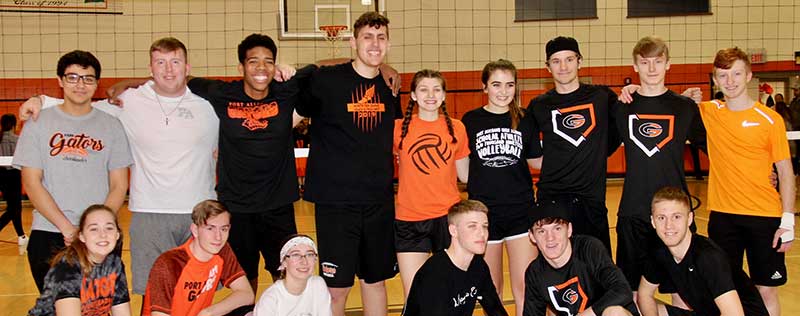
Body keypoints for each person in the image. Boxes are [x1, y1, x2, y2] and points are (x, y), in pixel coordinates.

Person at [20, 37, 219, 296]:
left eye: (175, 62)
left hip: (198, 213)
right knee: (150, 296)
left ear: (187, 67)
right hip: (146, 214)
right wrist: (39, 100)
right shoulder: (129, 102)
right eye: (160, 62)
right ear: (151, 69)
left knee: (197, 295)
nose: (168, 69)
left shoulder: (210, 106)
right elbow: (80, 104)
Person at [295, 11, 401, 316]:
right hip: (336, 204)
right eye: (367, 36)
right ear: (353, 41)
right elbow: (290, 120)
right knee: (336, 289)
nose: (375, 44)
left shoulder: (390, 86)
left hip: (378, 201)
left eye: (381, 37)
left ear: (388, 44)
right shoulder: (326, 80)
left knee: (376, 281)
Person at [13, 50, 132, 292]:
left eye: (88, 78)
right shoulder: (37, 123)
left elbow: (119, 185)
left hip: (100, 237)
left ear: (97, 83)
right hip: (50, 232)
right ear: (60, 81)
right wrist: (68, 228)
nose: (80, 84)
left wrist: (95, 228)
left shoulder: (112, 126)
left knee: (98, 307)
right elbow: (32, 182)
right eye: (73, 77)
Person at [699, 47, 795, 316]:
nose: (730, 81)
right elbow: (669, 103)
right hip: (723, 217)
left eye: (736, 74)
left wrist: (787, 221)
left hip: (764, 216)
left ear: (749, 75)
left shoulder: (770, 119)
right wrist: (633, 88)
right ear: (715, 79)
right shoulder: (709, 111)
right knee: (725, 289)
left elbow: (785, 172)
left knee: (766, 289)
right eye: (723, 75)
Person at [613, 36, 706, 299]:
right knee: (632, 292)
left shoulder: (685, 107)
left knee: (683, 292)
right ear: (635, 66)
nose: (651, 68)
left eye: (658, 61)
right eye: (645, 62)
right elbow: (596, 148)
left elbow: (715, 147)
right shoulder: (621, 108)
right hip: (634, 212)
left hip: (674, 214)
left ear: (668, 65)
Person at [525, 36, 621, 254]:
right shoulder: (539, 105)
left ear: (580, 61)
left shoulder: (602, 97)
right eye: (556, 61)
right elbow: (528, 148)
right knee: (556, 269)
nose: (563, 66)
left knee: (597, 267)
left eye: (569, 59)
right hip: (553, 199)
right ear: (547, 67)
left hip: (591, 200)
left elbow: (631, 119)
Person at [461, 59, 538, 316]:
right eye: (496, 84)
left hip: (520, 210)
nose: (503, 91)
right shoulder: (470, 120)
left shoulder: (525, 119)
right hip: (484, 214)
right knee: (491, 289)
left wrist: (577, 153)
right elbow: (463, 170)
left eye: (509, 85)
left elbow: (536, 161)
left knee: (525, 286)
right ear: (484, 87)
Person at [393, 69, 469, 298]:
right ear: (413, 95)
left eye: (437, 89)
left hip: (448, 220)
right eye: (423, 89)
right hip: (409, 219)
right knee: (415, 293)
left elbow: (465, 176)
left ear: (444, 95)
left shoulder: (457, 128)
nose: (430, 95)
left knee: (449, 291)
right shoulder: (397, 128)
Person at [637, 187, 769, 316]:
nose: (668, 225)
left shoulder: (708, 257)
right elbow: (644, 294)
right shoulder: (660, 252)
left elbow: (734, 313)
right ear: (653, 221)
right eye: (661, 218)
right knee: (631, 311)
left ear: (689, 219)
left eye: (676, 217)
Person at [523, 199, 638, 316]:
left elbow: (622, 290)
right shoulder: (535, 273)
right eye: (541, 231)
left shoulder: (589, 249)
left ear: (569, 230)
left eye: (557, 229)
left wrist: (586, 314)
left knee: (614, 313)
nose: (550, 238)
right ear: (532, 236)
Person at [142, 200, 254, 316]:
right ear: (195, 230)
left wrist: (208, 312)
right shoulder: (169, 263)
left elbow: (246, 294)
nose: (218, 237)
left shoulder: (221, 250)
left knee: (247, 312)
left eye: (223, 229)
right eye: (210, 228)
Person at [402, 200, 508, 316]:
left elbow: (495, 309)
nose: (482, 233)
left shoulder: (478, 265)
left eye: (485, 226)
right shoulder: (435, 275)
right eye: (472, 226)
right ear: (453, 231)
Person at [28, 204, 131, 316]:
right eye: (94, 229)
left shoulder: (114, 264)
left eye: (109, 228)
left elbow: (122, 311)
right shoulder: (67, 267)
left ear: (117, 234)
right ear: (81, 236)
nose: (103, 235)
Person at [253, 235, 331, 316]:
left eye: (309, 254)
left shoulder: (318, 284)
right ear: (284, 262)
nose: (304, 261)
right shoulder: (270, 301)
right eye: (296, 255)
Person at [0, 114, 26, 247]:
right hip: (13, 176)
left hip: (1, 176)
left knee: (14, 208)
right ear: (14, 125)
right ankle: (21, 236)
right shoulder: (18, 139)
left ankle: (21, 236)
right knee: (14, 209)